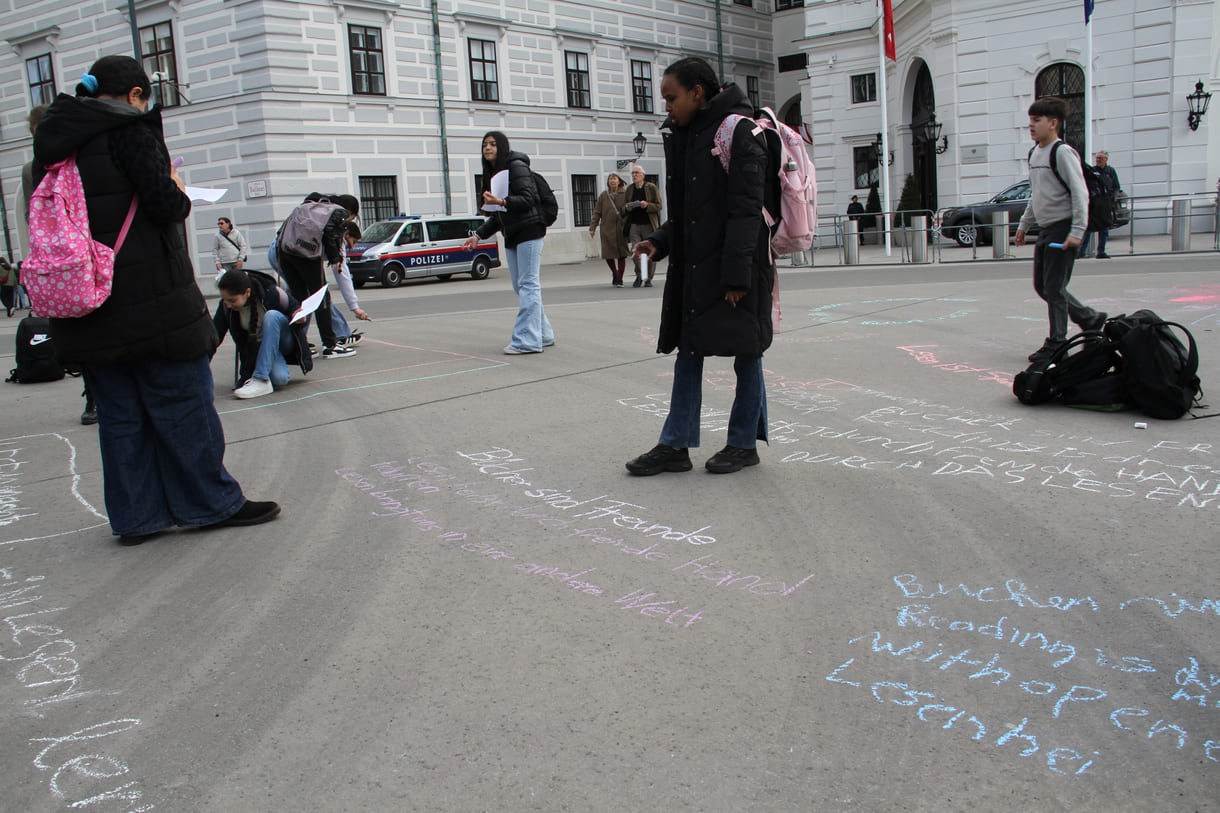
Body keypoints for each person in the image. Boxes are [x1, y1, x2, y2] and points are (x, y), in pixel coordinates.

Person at [31, 55, 279, 544]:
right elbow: (166, 205)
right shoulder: (130, 132)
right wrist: (178, 188)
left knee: (120, 417)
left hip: (85, 303)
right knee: (183, 405)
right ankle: (209, 502)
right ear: (135, 95)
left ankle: (136, 517)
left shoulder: (51, 148)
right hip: (151, 301)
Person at [625, 56, 773, 476]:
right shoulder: (687, 135)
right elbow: (691, 211)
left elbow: (746, 211)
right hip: (695, 267)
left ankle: (743, 443)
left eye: (672, 97)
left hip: (735, 265)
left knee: (746, 350)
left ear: (698, 92)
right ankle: (675, 444)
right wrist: (659, 241)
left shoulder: (739, 132)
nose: (667, 107)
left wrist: (736, 275)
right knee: (688, 349)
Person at [1015, 97, 1107, 362]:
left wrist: (1077, 230)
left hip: (1063, 227)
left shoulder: (1062, 152)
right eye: (1030, 120)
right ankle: (1090, 318)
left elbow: (1080, 193)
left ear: (1053, 123)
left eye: (1037, 120)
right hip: (1046, 229)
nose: (1031, 126)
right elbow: (1037, 193)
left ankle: (1057, 342)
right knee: (1042, 286)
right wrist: (1024, 224)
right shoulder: (1035, 153)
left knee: (1054, 288)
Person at [460, 131, 555, 354]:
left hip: (530, 229)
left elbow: (528, 199)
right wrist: (478, 235)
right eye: (484, 145)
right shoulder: (493, 173)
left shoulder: (516, 166)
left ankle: (527, 341)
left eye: (493, 144)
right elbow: (498, 214)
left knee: (528, 284)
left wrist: (502, 201)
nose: (488, 148)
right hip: (512, 233)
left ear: (502, 147)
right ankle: (543, 334)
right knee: (521, 286)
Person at [276, 192, 359, 359]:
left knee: (300, 299)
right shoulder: (338, 211)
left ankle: (299, 344)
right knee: (321, 297)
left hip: (285, 250)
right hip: (307, 255)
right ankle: (330, 345)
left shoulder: (312, 204)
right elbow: (330, 233)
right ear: (350, 211)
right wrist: (335, 257)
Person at [214, 269, 313, 399]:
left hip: (283, 341)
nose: (228, 305)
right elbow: (213, 337)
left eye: (232, 300)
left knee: (271, 316)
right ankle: (263, 375)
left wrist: (299, 317)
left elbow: (295, 309)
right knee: (280, 379)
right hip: (261, 348)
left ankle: (260, 378)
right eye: (225, 300)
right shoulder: (226, 307)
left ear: (247, 293)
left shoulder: (270, 292)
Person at [621, 164, 663, 287]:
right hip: (634, 224)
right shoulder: (630, 189)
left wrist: (647, 205)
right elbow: (624, 207)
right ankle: (639, 275)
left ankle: (648, 277)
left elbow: (658, 205)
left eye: (637, 173)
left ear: (643, 175)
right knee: (635, 250)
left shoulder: (651, 187)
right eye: (633, 173)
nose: (634, 175)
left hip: (649, 224)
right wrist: (627, 208)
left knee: (649, 250)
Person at [588, 173, 629, 286]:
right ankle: (615, 273)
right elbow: (597, 212)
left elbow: (629, 210)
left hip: (620, 228)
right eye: (610, 179)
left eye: (614, 179)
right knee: (608, 254)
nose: (612, 181)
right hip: (607, 228)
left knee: (622, 255)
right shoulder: (604, 195)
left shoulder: (625, 194)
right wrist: (593, 227)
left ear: (619, 181)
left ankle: (619, 278)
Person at [1079, 150, 1121, 259]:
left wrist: (1113, 198)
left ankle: (1101, 251)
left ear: (1106, 159)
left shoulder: (1110, 171)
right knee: (1089, 227)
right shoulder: (1093, 171)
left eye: (1100, 158)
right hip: (1094, 203)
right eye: (1097, 158)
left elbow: (1116, 187)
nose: (1098, 160)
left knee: (1104, 228)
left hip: (1106, 203)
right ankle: (1081, 251)